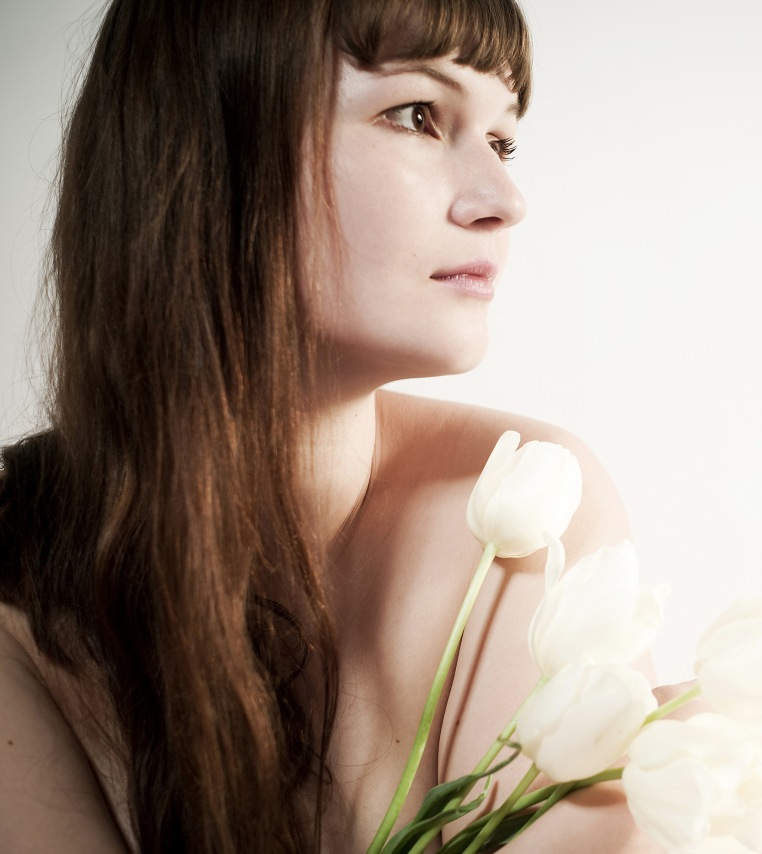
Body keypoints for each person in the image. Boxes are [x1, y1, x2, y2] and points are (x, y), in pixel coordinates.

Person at [0, 0, 680, 851]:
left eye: (503, 141)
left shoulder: (527, 504)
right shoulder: (17, 593)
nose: (504, 200)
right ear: (210, 147)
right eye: (417, 114)